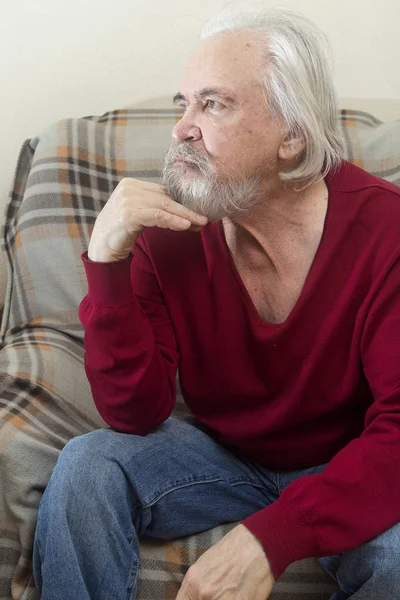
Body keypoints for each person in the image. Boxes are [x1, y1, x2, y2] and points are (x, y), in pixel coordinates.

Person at [32, 7, 400, 600]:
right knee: (87, 465)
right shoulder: (165, 229)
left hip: (346, 461)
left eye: (213, 104)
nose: (181, 128)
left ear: (293, 135)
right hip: (222, 456)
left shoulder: (388, 233)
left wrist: (271, 538)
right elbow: (135, 413)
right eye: (185, 103)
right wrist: (107, 265)